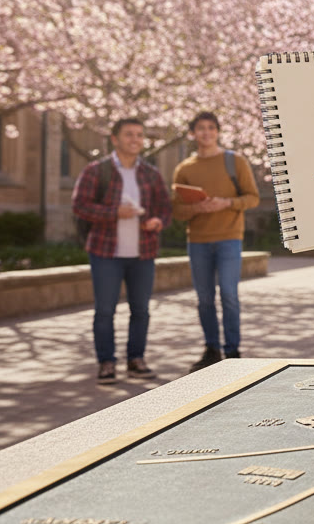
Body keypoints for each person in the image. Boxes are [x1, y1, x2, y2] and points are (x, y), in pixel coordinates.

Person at [71, 118, 172, 384]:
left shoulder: (151, 173)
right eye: (129, 134)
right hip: (106, 253)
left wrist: (158, 221)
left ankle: (136, 360)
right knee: (105, 311)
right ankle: (106, 362)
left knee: (141, 310)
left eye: (140, 135)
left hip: (143, 253)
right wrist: (113, 213)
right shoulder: (97, 171)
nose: (135, 140)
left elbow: (165, 208)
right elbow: (80, 205)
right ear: (114, 139)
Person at [171, 112, 260, 372]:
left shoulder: (236, 162)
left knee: (229, 295)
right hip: (198, 241)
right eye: (200, 128)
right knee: (204, 298)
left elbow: (252, 198)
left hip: (229, 239)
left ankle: (233, 350)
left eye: (211, 128)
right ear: (193, 133)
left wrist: (227, 203)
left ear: (218, 131)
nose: (206, 133)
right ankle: (212, 349)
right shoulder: (184, 169)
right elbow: (177, 211)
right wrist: (197, 208)